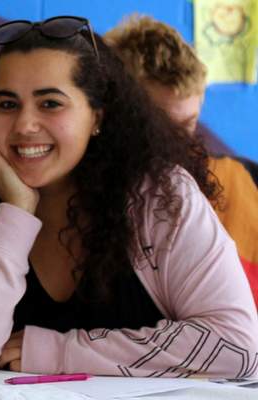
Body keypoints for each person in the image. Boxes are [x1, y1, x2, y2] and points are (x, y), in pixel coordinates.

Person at [0, 16, 258, 377]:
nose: (24, 125)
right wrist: (15, 213)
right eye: (7, 104)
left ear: (97, 117)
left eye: (50, 103)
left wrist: (58, 353)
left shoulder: (160, 201)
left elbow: (236, 346)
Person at [105, 14, 258, 305]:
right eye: (159, 127)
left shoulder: (247, 181)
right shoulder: (84, 199)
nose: (177, 144)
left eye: (188, 124)